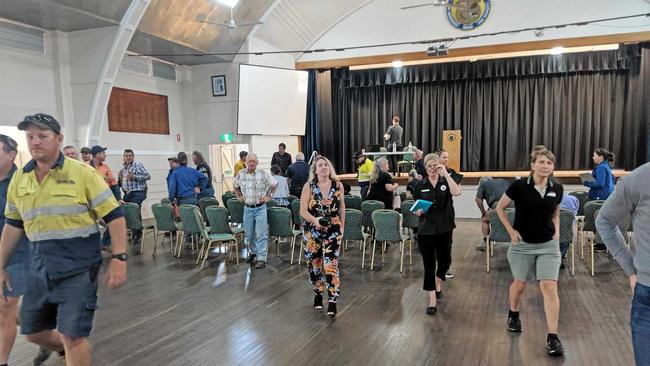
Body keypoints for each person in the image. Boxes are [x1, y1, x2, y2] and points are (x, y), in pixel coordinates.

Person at [0, 113, 127, 366]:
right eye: (30, 137)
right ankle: (66, 347)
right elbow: (13, 226)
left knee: (73, 335)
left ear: (58, 139)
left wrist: (119, 257)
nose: (35, 142)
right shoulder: (20, 179)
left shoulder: (82, 174)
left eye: (42, 136)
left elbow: (115, 216)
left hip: (78, 267)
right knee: (32, 331)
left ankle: (72, 346)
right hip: (39, 267)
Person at [495, 148, 565, 357]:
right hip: (522, 245)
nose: (545, 166)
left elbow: (555, 212)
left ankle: (553, 336)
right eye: (541, 162)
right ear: (532, 165)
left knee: (549, 286)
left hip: (548, 246)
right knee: (520, 283)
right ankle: (513, 313)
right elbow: (499, 208)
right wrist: (511, 231)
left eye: (549, 163)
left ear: (553, 167)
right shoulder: (518, 187)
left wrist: (557, 233)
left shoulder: (557, 188)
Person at [595, 162, 650, 366]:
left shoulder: (636, 178)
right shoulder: (637, 179)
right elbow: (604, 222)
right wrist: (631, 268)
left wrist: (631, 269)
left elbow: (604, 221)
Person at [411, 153, 461, 315]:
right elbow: (417, 205)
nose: (432, 169)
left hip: (444, 227)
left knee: (445, 261)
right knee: (429, 264)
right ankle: (432, 299)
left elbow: (457, 192)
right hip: (426, 230)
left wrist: (445, 173)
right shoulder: (419, 185)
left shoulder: (445, 180)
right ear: (425, 168)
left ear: (439, 165)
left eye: (435, 165)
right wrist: (418, 211)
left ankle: (438, 281)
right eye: (429, 166)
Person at [0, 135, 34, 365]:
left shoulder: (23, 182)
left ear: (12, 154)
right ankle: (53, 338)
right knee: (12, 314)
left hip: (18, 255)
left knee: (4, 309)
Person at [299, 156, 345, 318]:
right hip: (313, 230)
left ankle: (332, 299)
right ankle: (318, 293)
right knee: (315, 263)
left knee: (330, 264)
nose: (324, 167)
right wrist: (315, 220)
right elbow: (303, 211)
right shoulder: (309, 186)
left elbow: (342, 208)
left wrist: (342, 226)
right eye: (320, 165)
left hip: (333, 229)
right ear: (315, 170)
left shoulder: (338, 185)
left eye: (326, 164)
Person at [234, 153, 277, 269]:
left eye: (254, 161)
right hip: (247, 209)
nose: (251, 163)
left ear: (257, 163)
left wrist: (269, 196)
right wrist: (238, 196)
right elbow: (235, 185)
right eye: (249, 161)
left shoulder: (263, 174)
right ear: (246, 162)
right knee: (249, 234)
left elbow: (274, 184)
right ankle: (253, 253)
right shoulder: (241, 174)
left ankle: (262, 258)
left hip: (260, 208)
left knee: (261, 233)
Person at [436, 149, 463, 279]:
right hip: (432, 213)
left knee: (446, 243)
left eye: (447, 157)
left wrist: (446, 175)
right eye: (443, 157)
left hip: (446, 212)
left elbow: (457, 191)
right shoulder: (432, 172)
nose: (446, 159)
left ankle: (445, 268)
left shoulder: (451, 173)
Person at [118, 149, 151, 246]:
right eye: (126, 155)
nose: (128, 157)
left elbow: (148, 176)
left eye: (130, 155)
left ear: (133, 156)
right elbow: (123, 181)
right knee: (123, 209)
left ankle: (136, 233)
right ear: (124, 157)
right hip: (128, 193)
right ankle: (135, 228)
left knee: (133, 210)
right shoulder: (124, 168)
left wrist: (135, 177)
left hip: (138, 192)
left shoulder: (137, 165)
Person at [475, 176, 510, 251]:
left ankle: (486, 242)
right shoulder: (504, 181)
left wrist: (483, 212)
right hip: (514, 204)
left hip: (498, 205)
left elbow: (478, 200)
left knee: (485, 219)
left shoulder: (483, 183)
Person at [558, 193, 579, 268]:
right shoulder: (573, 198)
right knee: (565, 238)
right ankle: (561, 255)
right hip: (566, 234)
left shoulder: (544, 198)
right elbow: (575, 212)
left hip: (549, 233)